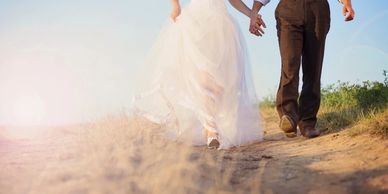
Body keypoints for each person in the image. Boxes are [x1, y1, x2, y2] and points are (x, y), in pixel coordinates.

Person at [132, 0, 264, 149]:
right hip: (194, 23)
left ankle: (210, 124)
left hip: (221, 26)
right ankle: (211, 129)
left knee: (220, 85)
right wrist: (175, 6)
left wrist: (250, 14)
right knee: (202, 77)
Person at [249, 0, 355, 138]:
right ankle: (288, 116)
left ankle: (307, 122)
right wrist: (254, 11)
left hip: (317, 10)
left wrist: (347, 3)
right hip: (288, 11)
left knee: (313, 67)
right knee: (290, 63)